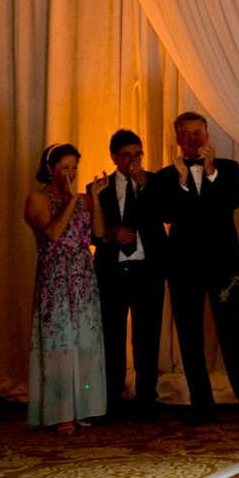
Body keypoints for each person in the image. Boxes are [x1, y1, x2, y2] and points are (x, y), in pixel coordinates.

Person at [149, 113, 239, 427]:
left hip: (224, 265)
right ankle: (202, 407)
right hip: (183, 267)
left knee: (235, 334)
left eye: (197, 132)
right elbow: (166, 214)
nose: (192, 138)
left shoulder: (227, 168)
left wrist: (211, 173)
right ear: (177, 139)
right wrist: (183, 185)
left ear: (206, 135)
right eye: (185, 133)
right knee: (189, 338)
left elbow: (233, 201)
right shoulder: (164, 176)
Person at [23, 143, 107, 433]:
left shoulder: (83, 198)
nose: (70, 173)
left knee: (84, 340)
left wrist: (93, 199)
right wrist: (71, 200)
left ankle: (84, 405)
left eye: (74, 167)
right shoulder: (37, 198)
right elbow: (53, 233)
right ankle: (61, 413)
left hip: (83, 274)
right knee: (59, 341)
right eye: (64, 168)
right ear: (50, 169)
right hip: (56, 275)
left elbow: (97, 234)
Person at [92, 129, 165, 422]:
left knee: (147, 336)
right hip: (113, 270)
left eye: (138, 154)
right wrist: (110, 233)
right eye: (127, 155)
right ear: (114, 157)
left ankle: (147, 397)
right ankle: (111, 398)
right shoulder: (100, 187)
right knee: (111, 335)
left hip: (147, 269)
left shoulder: (155, 181)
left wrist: (145, 184)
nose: (133, 160)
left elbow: (166, 213)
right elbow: (93, 234)